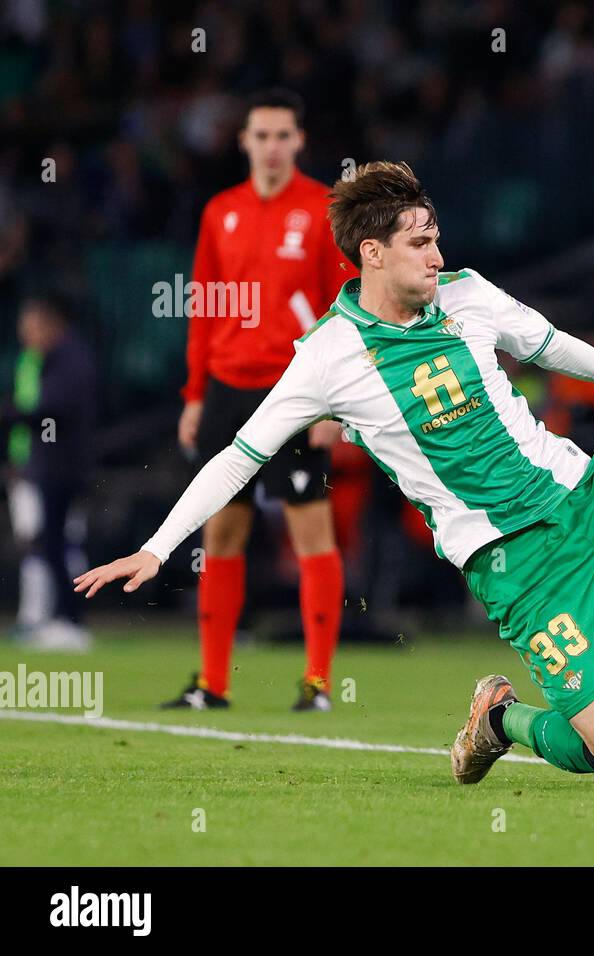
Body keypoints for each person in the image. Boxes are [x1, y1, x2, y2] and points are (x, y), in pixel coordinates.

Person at [74, 160, 594, 783]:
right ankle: (499, 720)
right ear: (371, 253)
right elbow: (240, 455)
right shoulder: (327, 356)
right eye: (420, 243)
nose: (438, 255)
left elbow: (548, 344)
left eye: (437, 237)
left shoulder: (470, 295)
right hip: (522, 567)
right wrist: (158, 546)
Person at [170, 88, 358, 712]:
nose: (272, 147)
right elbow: (202, 308)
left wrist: (334, 401)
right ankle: (213, 685)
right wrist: (195, 394)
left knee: (311, 530)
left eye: (283, 135)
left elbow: (344, 307)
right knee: (220, 534)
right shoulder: (219, 211)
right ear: (243, 141)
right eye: (262, 136)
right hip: (227, 389)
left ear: (299, 141)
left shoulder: (324, 209)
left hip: (297, 391)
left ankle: (318, 683)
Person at [2, 297, 96, 651]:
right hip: (50, 466)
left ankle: (70, 620)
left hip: (63, 468)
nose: (27, 335)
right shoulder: (46, 359)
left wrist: (13, 414)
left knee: (61, 543)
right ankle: (54, 617)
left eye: (32, 327)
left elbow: (52, 410)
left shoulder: (69, 359)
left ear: (50, 324)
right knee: (51, 542)